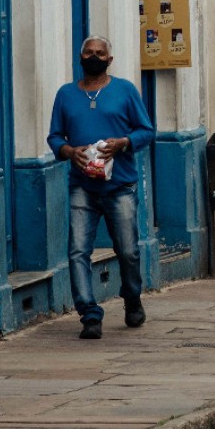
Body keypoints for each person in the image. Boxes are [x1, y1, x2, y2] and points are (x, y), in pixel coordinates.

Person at [48, 36, 155, 341]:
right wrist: (70, 152)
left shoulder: (125, 91)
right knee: (78, 251)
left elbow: (147, 130)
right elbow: (55, 137)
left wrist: (123, 143)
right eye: (88, 52)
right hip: (81, 186)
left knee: (128, 251)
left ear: (110, 59)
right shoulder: (66, 95)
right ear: (80, 56)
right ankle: (89, 313)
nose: (93, 57)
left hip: (120, 185)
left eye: (100, 53)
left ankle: (132, 297)